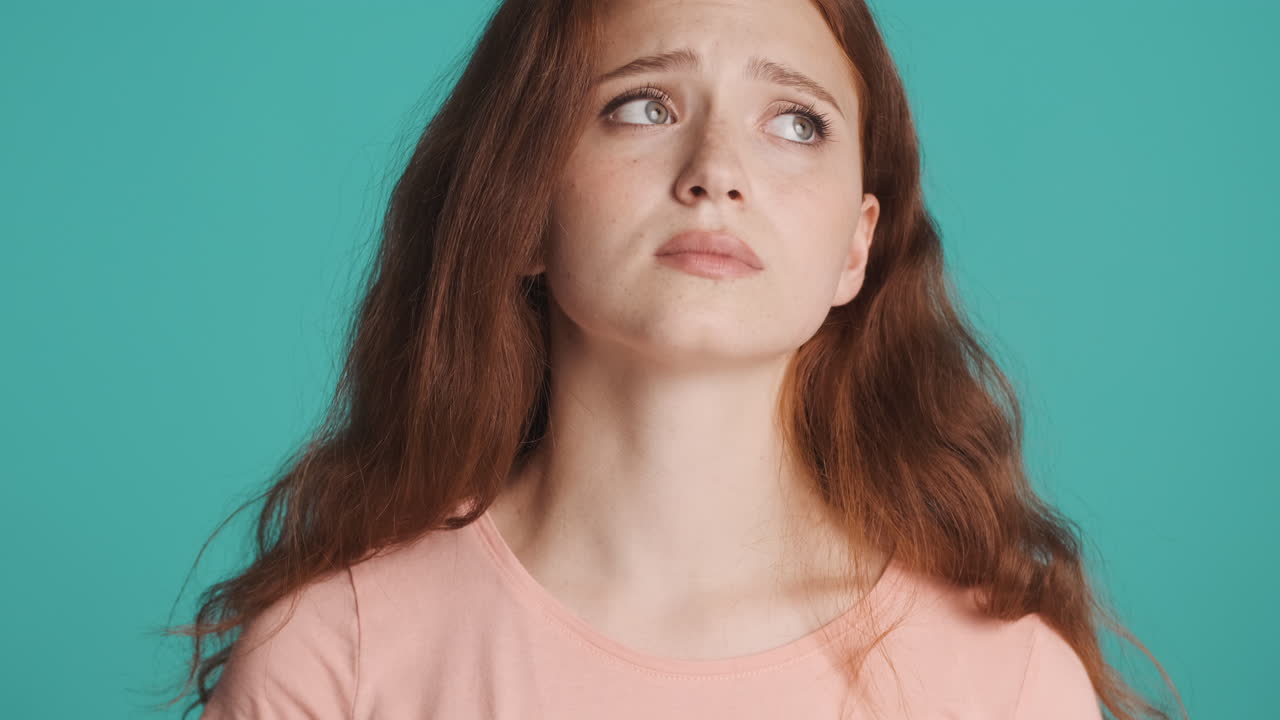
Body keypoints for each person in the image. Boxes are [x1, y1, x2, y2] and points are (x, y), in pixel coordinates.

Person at [164, 0, 1185, 718]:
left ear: (854, 247)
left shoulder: (1000, 685)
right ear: (521, 206)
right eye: (642, 105)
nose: (716, 174)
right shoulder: (334, 662)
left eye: (794, 122)